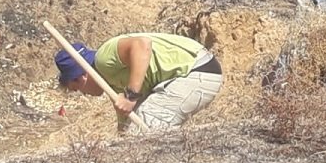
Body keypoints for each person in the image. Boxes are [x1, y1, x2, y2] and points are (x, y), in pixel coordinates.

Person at [55, 33, 222, 131]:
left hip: (195, 71)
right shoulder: (114, 81)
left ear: (81, 76)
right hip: (189, 76)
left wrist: (131, 95)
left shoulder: (103, 59)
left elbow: (141, 44)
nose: (85, 94)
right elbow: (126, 121)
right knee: (133, 137)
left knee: (141, 138)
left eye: (77, 89)